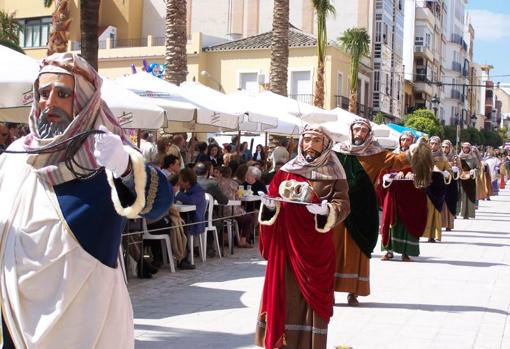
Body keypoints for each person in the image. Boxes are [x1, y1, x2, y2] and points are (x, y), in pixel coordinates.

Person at [0, 52, 172, 348]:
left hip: (85, 326)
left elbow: (160, 203)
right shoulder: (17, 156)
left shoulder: (106, 155)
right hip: (14, 323)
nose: (49, 102)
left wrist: (126, 168)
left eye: (62, 93)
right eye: (43, 93)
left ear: (84, 100)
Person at [256, 124, 350, 349]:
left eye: (316, 140)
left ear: (326, 144)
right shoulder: (287, 170)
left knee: (312, 301)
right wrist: (269, 206)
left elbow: (344, 204)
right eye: (306, 139)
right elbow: (273, 197)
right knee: (284, 294)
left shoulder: (335, 172)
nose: (310, 145)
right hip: (286, 245)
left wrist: (326, 212)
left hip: (315, 248)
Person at [331, 117, 431, 306]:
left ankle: (354, 292)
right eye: (356, 129)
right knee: (333, 248)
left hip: (363, 209)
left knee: (358, 249)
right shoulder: (338, 151)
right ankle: (329, 290)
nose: (359, 133)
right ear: (351, 131)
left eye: (363, 130)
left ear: (369, 134)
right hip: (340, 206)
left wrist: (415, 148)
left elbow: (398, 160)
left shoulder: (376, 153)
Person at [216, 166, 257, 248]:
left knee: (238, 217)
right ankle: (243, 240)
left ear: (220, 174)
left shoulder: (216, 183)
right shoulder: (233, 184)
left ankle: (226, 238)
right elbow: (240, 197)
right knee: (249, 218)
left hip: (218, 211)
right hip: (231, 211)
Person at [422, 136, 451, 243]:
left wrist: (447, 173)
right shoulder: (424, 156)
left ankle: (433, 235)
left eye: (436, 144)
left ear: (439, 145)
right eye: (432, 143)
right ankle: (423, 232)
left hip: (438, 187)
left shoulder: (443, 158)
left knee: (435, 211)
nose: (433, 146)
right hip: (426, 185)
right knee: (426, 210)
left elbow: (449, 171)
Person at [441, 140, 460, 231]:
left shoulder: (455, 157)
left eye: (446, 147)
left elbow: (460, 170)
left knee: (450, 202)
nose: (445, 149)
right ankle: (440, 223)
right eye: (443, 147)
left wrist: (456, 170)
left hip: (451, 182)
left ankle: (449, 224)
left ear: (450, 147)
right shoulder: (439, 156)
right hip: (440, 182)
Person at [458, 142, 480, 219]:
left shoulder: (473, 158)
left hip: (470, 178)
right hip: (461, 178)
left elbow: (478, 168)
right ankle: (461, 213)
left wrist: (474, 171)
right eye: (464, 147)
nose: (466, 149)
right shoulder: (459, 157)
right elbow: (456, 166)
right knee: (461, 195)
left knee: (470, 196)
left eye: (467, 148)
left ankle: (469, 214)